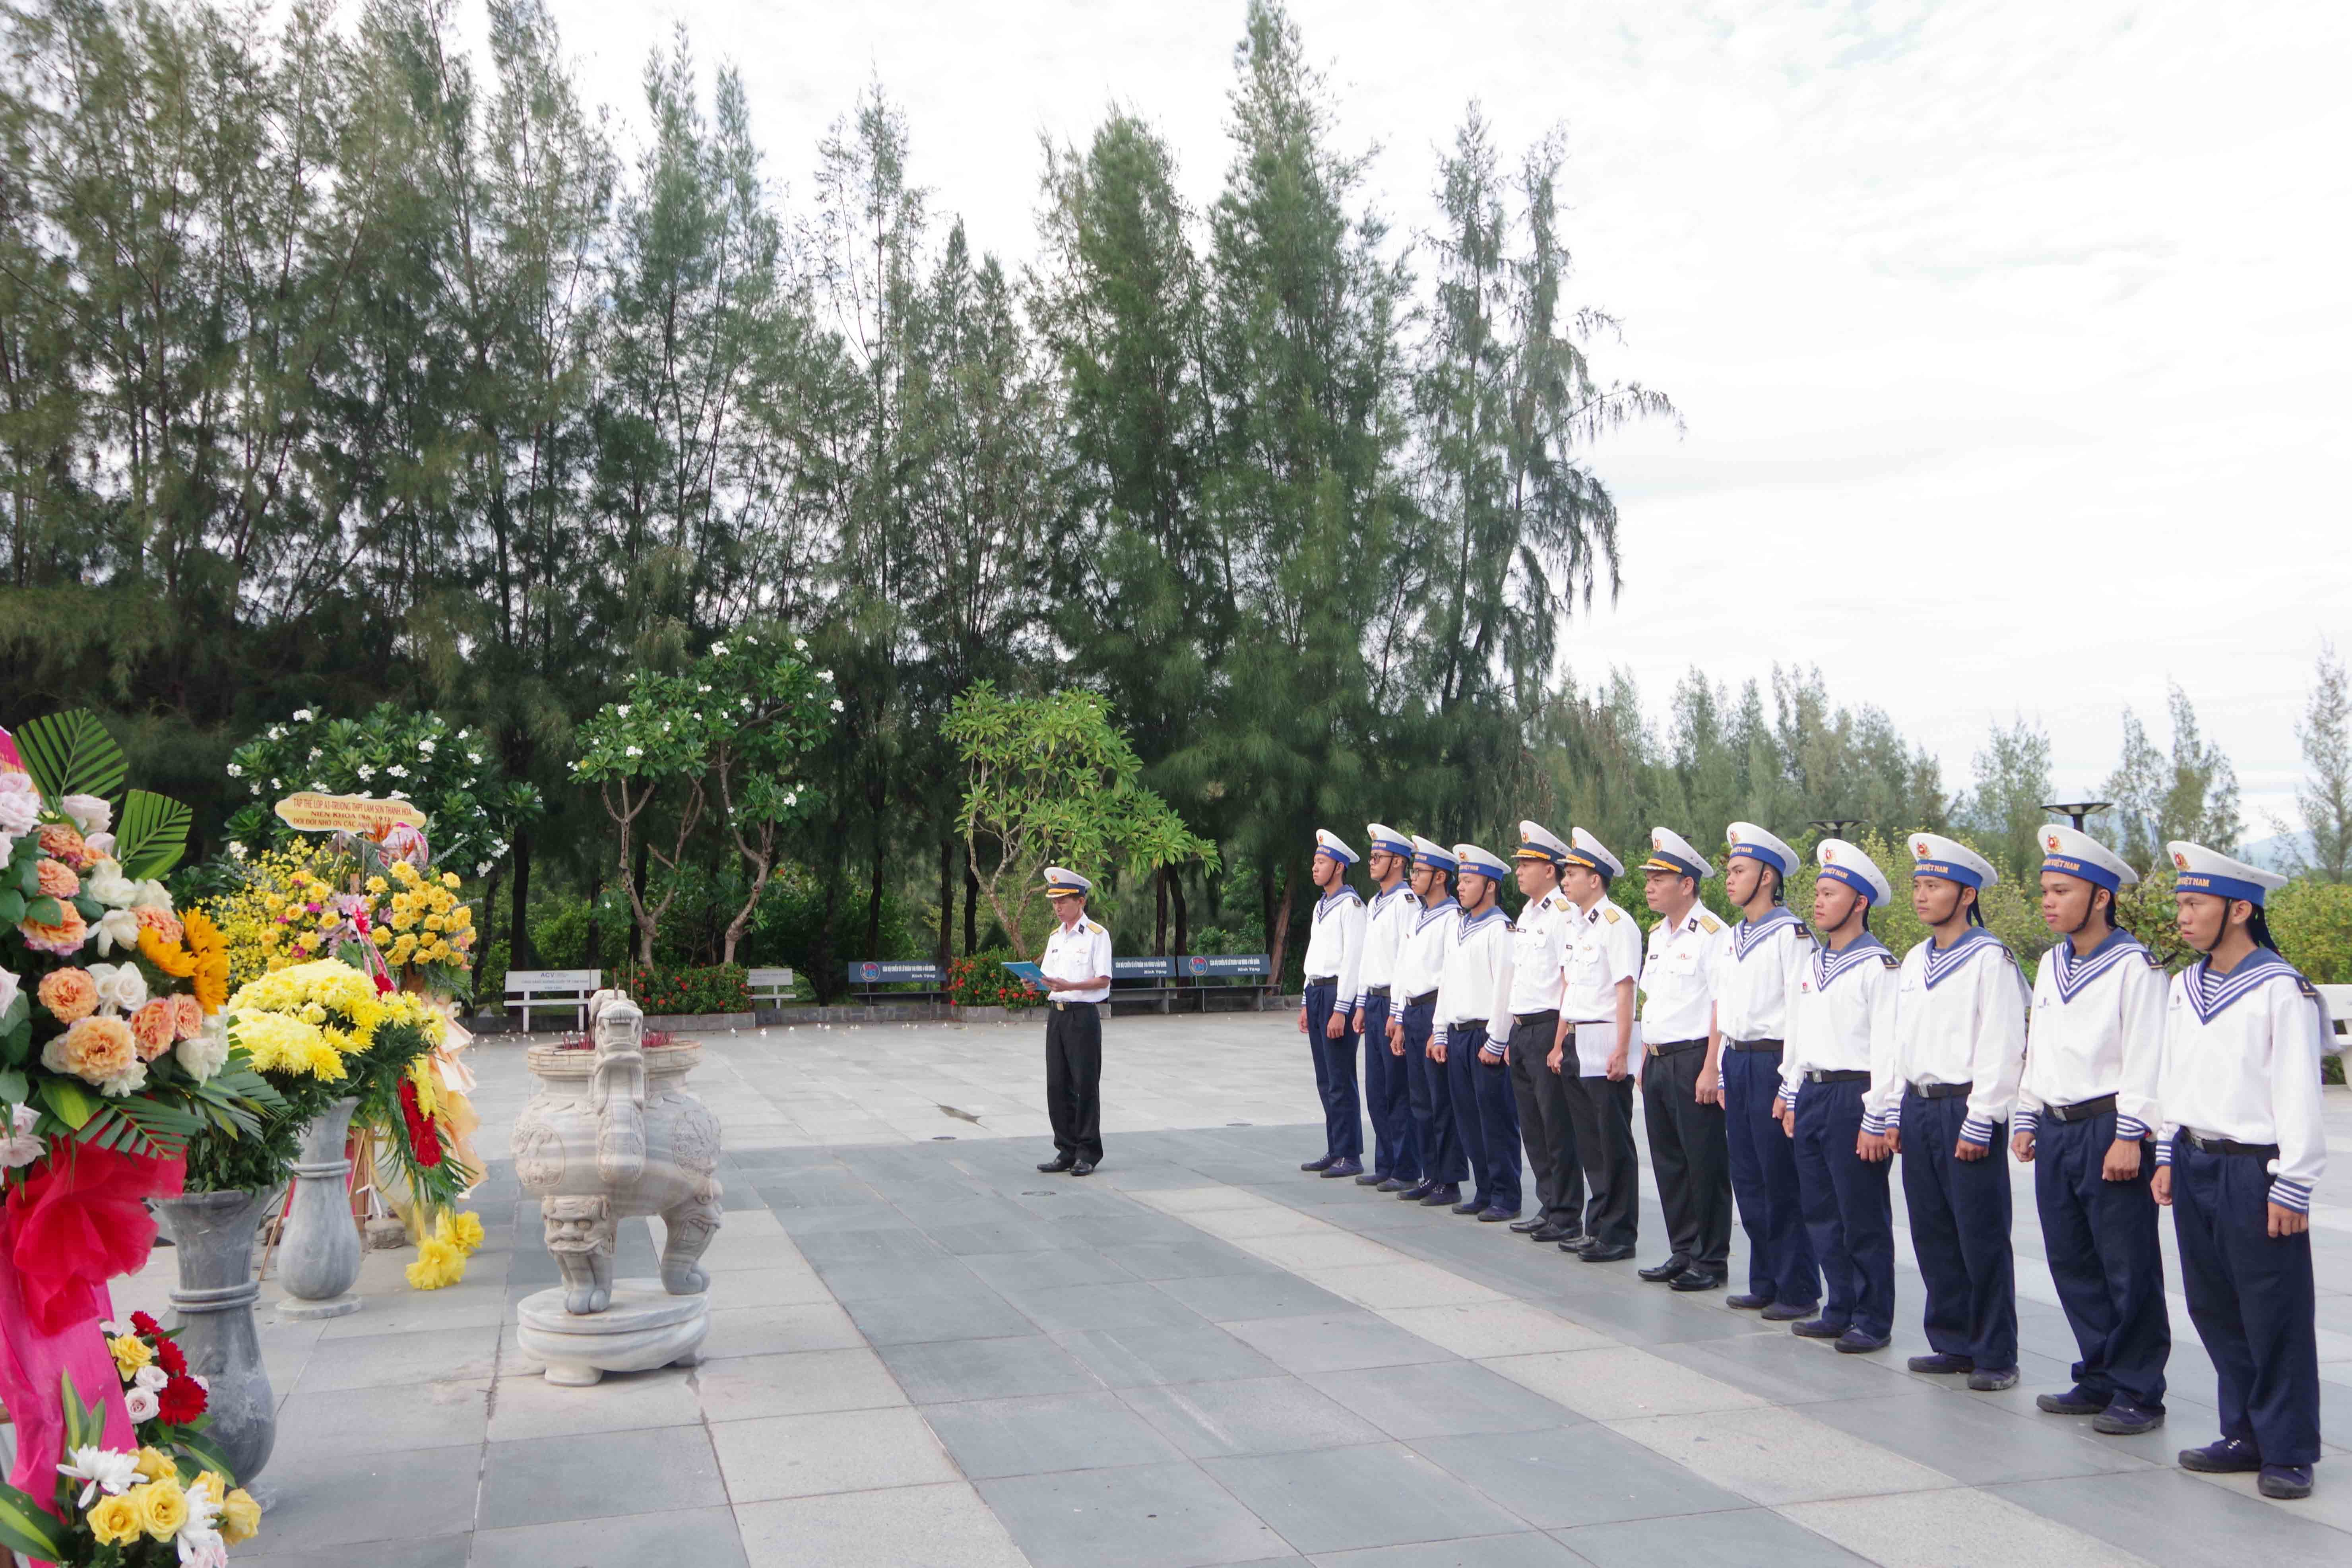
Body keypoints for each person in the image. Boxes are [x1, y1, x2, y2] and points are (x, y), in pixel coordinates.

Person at [2154, 841, 2327, 1501]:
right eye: (2179, 902)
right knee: (2214, 1304)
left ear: (2237, 910)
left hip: (2255, 1170)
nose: (2183, 915)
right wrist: (2168, 1150)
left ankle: (2287, 1448)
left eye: (2194, 903)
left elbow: (2295, 1093)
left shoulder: (2279, 987)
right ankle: (2244, 1432)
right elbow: (2176, 1075)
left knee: (2272, 1309)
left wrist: (2294, 1180)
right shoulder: (2183, 986)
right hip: (2197, 1158)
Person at [2014, 824, 2169, 1436]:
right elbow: (2042, 1043)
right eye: (2045, 890)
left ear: (2100, 897)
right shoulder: (2052, 961)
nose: (2048, 901)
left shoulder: (2136, 966)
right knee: (2071, 1257)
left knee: (2126, 1264)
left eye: (2061, 890)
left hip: (2109, 1126)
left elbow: (2146, 1054)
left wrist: (2131, 1134)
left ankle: (2139, 1389)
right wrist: (2027, 1114)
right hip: (2057, 1127)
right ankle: (2099, 1373)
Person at [1888, 833, 2029, 1391]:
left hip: (1964, 1107)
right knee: (1932, 1229)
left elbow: (2002, 1040)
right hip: (1920, 1105)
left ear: (1966, 894)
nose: (1921, 896)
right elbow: (1904, 1039)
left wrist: (1984, 1115)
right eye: (1918, 885)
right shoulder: (1916, 957)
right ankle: (1952, 1339)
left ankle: (1996, 1353)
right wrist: (1896, 1106)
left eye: (1935, 886)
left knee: (1980, 1234)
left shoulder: (1989, 958)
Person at [1777, 838, 1903, 1353]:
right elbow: (1797, 1030)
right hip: (1813, 1091)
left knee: (1861, 1213)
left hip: (1856, 1094)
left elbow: (1889, 1046)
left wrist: (1881, 1113)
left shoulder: (1879, 966)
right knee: (1821, 1210)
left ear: (1860, 902)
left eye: (1831, 893)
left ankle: (1872, 1318)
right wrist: (1789, 1088)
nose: (1819, 902)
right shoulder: (1812, 963)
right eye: (1818, 892)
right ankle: (1839, 1306)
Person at [1712, 822, 1820, 1319]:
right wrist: (1718, 1069)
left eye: (1739, 871)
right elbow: (1727, 1006)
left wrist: (1791, 1083)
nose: (1729, 879)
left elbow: (1801, 1014)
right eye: (1729, 870)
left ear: (1768, 877)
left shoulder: (1790, 934)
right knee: (1748, 1176)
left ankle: (1796, 1287)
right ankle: (1764, 1278)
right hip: (1738, 1059)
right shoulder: (1735, 935)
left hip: (1772, 1059)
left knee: (1781, 1179)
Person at [1637, 827, 1732, 1291]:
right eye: (1649, 877)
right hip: (1658, 1057)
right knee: (1669, 1162)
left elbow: (1720, 1004)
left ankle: (1711, 1259)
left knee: (1705, 1163)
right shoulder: (1658, 934)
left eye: (1660, 878)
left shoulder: (1713, 934)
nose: (1650, 886)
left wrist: (1712, 1066)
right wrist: (1643, 1054)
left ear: (1687, 884)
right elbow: (1652, 999)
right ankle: (1683, 1250)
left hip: (1695, 1057)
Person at [1549, 829, 1644, 1262]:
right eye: (1566, 873)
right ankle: (1597, 1225)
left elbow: (1625, 990)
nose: (1565, 880)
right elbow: (1571, 987)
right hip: (1576, 1038)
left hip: (1605, 1036)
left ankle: (1619, 1233)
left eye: (1573, 873)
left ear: (1596, 879)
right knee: (1589, 1141)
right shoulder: (1576, 925)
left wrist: (1622, 1050)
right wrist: (1558, 1043)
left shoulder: (1616, 924)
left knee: (1612, 1141)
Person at [1431, 842, 1522, 1221]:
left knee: (1495, 1119)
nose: (1460, 887)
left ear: (1490, 886)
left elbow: (1504, 987)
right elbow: (1447, 980)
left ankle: (1506, 1194)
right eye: (1460, 880)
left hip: (1485, 1034)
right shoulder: (1458, 925)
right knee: (1468, 1116)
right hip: (1458, 1031)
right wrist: (1439, 1030)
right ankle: (1484, 1189)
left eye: (1469, 880)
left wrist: (1497, 1037)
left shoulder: (1500, 929)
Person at [1506, 822, 1587, 1244]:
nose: (1518, 871)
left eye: (1527, 863)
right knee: (1532, 1127)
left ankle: (1567, 1212)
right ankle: (1548, 1203)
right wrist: (1507, 1035)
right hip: (1522, 1029)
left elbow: (1566, 980)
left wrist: (1558, 1042)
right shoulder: (1527, 914)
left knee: (1556, 1127)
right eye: (1519, 863)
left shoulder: (1561, 916)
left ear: (1550, 870)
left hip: (1547, 1028)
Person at [1392, 837, 1468, 1209]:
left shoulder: (1452, 917)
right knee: (1420, 1099)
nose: (1413, 876)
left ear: (1440, 876)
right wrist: (1400, 1018)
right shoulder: (1418, 915)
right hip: (1413, 1009)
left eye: (1419, 871)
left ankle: (1448, 1179)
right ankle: (1429, 1173)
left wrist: (1438, 1027)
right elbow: (1407, 968)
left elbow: (1448, 976)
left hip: (1436, 1008)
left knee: (1442, 1101)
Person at [1353, 824, 1423, 1190]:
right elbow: (1370, 959)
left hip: (1395, 1001)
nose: (1371, 862)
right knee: (1377, 1088)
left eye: (1378, 857)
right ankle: (1385, 1161)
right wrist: (1362, 1004)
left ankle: (1406, 1166)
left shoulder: (1406, 902)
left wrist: (1397, 1013)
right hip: (1376, 999)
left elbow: (1405, 961)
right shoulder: (1376, 901)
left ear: (1398, 861)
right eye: (1371, 856)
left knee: (1399, 1089)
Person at [1033, 866, 1113, 1177]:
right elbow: (1049, 979)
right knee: (1057, 1084)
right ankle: (1065, 1149)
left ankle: (1087, 1151)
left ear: (1080, 901)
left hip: (1082, 1016)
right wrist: (1035, 983)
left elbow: (1103, 980)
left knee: (1084, 1084)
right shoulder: (1056, 937)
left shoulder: (1097, 935)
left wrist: (1070, 986)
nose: (1057, 907)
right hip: (1057, 1016)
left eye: (1063, 901)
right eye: (1054, 901)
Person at [1299, 828, 1368, 1178]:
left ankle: (1350, 1153)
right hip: (1317, 991)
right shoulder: (1321, 904)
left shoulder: (1352, 906)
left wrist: (1342, 1008)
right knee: (1325, 1078)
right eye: (1314, 861)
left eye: (1321, 862)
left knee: (1341, 1077)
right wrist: (1303, 1000)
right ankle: (1335, 1147)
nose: (1315, 867)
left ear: (1339, 867)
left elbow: (1353, 960)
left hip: (1337, 994)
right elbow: (1315, 955)